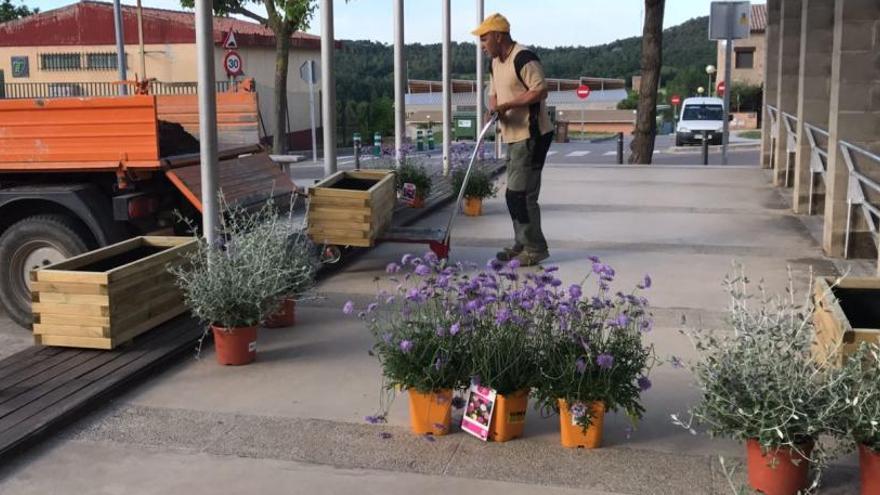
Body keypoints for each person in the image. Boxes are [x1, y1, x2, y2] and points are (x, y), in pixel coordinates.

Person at [473, 13, 554, 266]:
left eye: (485, 39)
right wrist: (496, 107)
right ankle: (523, 243)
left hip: (532, 135)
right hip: (512, 135)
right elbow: (494, 92)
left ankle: (535, 247)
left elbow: (540, 90)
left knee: (521, 194)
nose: (483, 45)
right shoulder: (495, 63)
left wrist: (508, 105)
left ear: (499, 36)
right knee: (515, 195)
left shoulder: (523, 57)